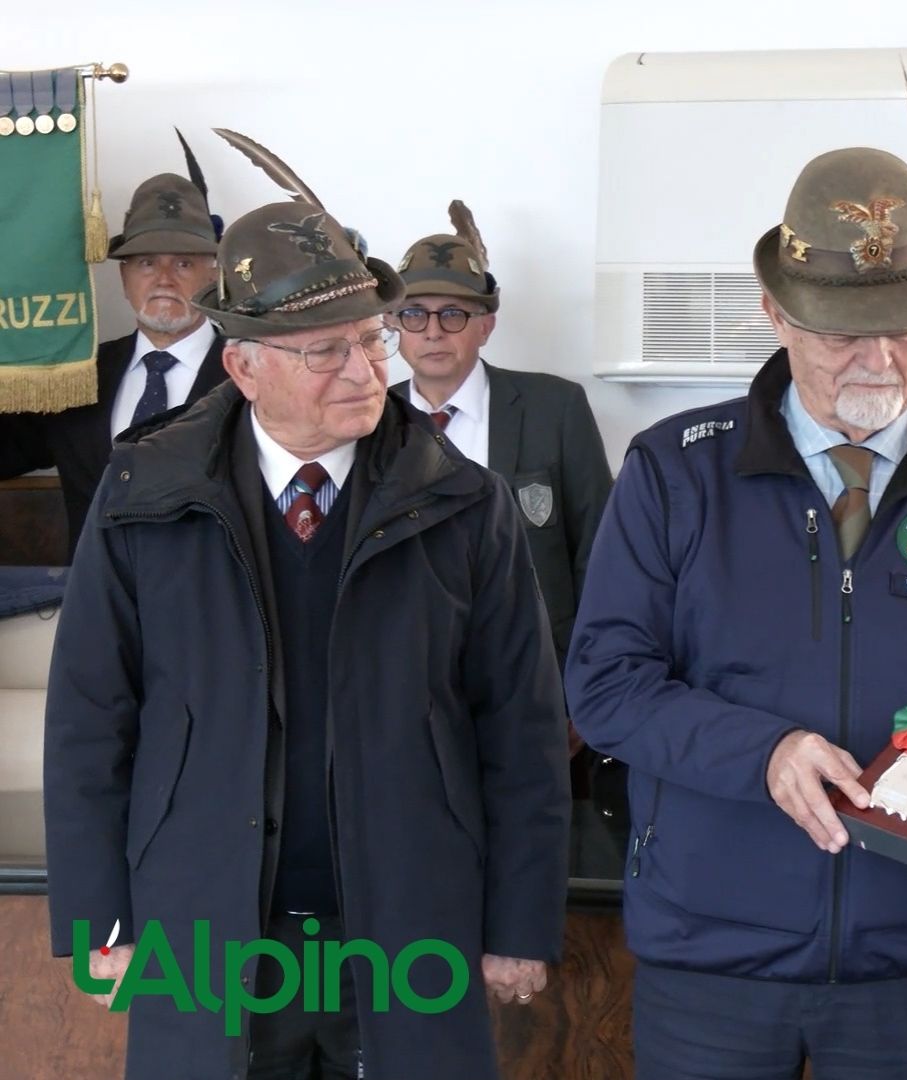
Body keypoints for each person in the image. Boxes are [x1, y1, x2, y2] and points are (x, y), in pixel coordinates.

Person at [43, 138, 570, 1080]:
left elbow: (521, 728)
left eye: (372, 339)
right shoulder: (143, 493)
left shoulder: (464, 500)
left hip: (411, 923)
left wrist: (519, 921)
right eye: (326, 351)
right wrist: (96, 916)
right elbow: (90, 719)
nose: (367, 372)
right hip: (204, 925)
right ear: (245, 368)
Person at [565, 143, 907, 1080]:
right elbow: (604, 686)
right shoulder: (674, 473)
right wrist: (765, 753)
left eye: (905, 331)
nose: (879, 361)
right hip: (713, 959)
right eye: (844, 335)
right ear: (777, 314)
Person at [389, 203, 621, 870]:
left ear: (486, 323)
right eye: (415, 314)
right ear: (393, 327)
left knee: (536, 874)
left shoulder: (553, 409)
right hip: (408, 710)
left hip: (538, 702)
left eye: (454, 314)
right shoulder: (364, 424)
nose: (433, 331)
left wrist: (584, 697)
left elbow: (602, 562)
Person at [0, 136, 229, 556]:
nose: (163, 279)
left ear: (212, 276)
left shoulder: (253, 371)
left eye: (182, 263)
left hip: (211, 610)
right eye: (146, 263)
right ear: (124, 278)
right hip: (95, 608)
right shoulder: (75, 374)